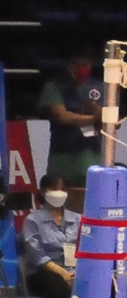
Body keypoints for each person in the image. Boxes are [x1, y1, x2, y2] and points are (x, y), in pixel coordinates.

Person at [20, 174, 80, 298]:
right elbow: (37, 256)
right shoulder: (33, 221)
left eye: (62, 190)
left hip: (75, 270)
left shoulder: (78, 219)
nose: (58, 194)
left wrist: (77, 270)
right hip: (42, 273)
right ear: (43, 192)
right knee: (59, 291)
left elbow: (87, 246)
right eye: (53, 190)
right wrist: (63, 273)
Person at [38, 49, 107, 195]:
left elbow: (113, 121)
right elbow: (62, 116)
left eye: (86, 65)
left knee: (89, 200)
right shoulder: (55, 86)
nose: (83, 69)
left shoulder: (99, 86)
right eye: (79, 65)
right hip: (63, 156)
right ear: (70, 66)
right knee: (58, 197)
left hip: (91, 155)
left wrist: (97, 110)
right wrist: (94, 118)